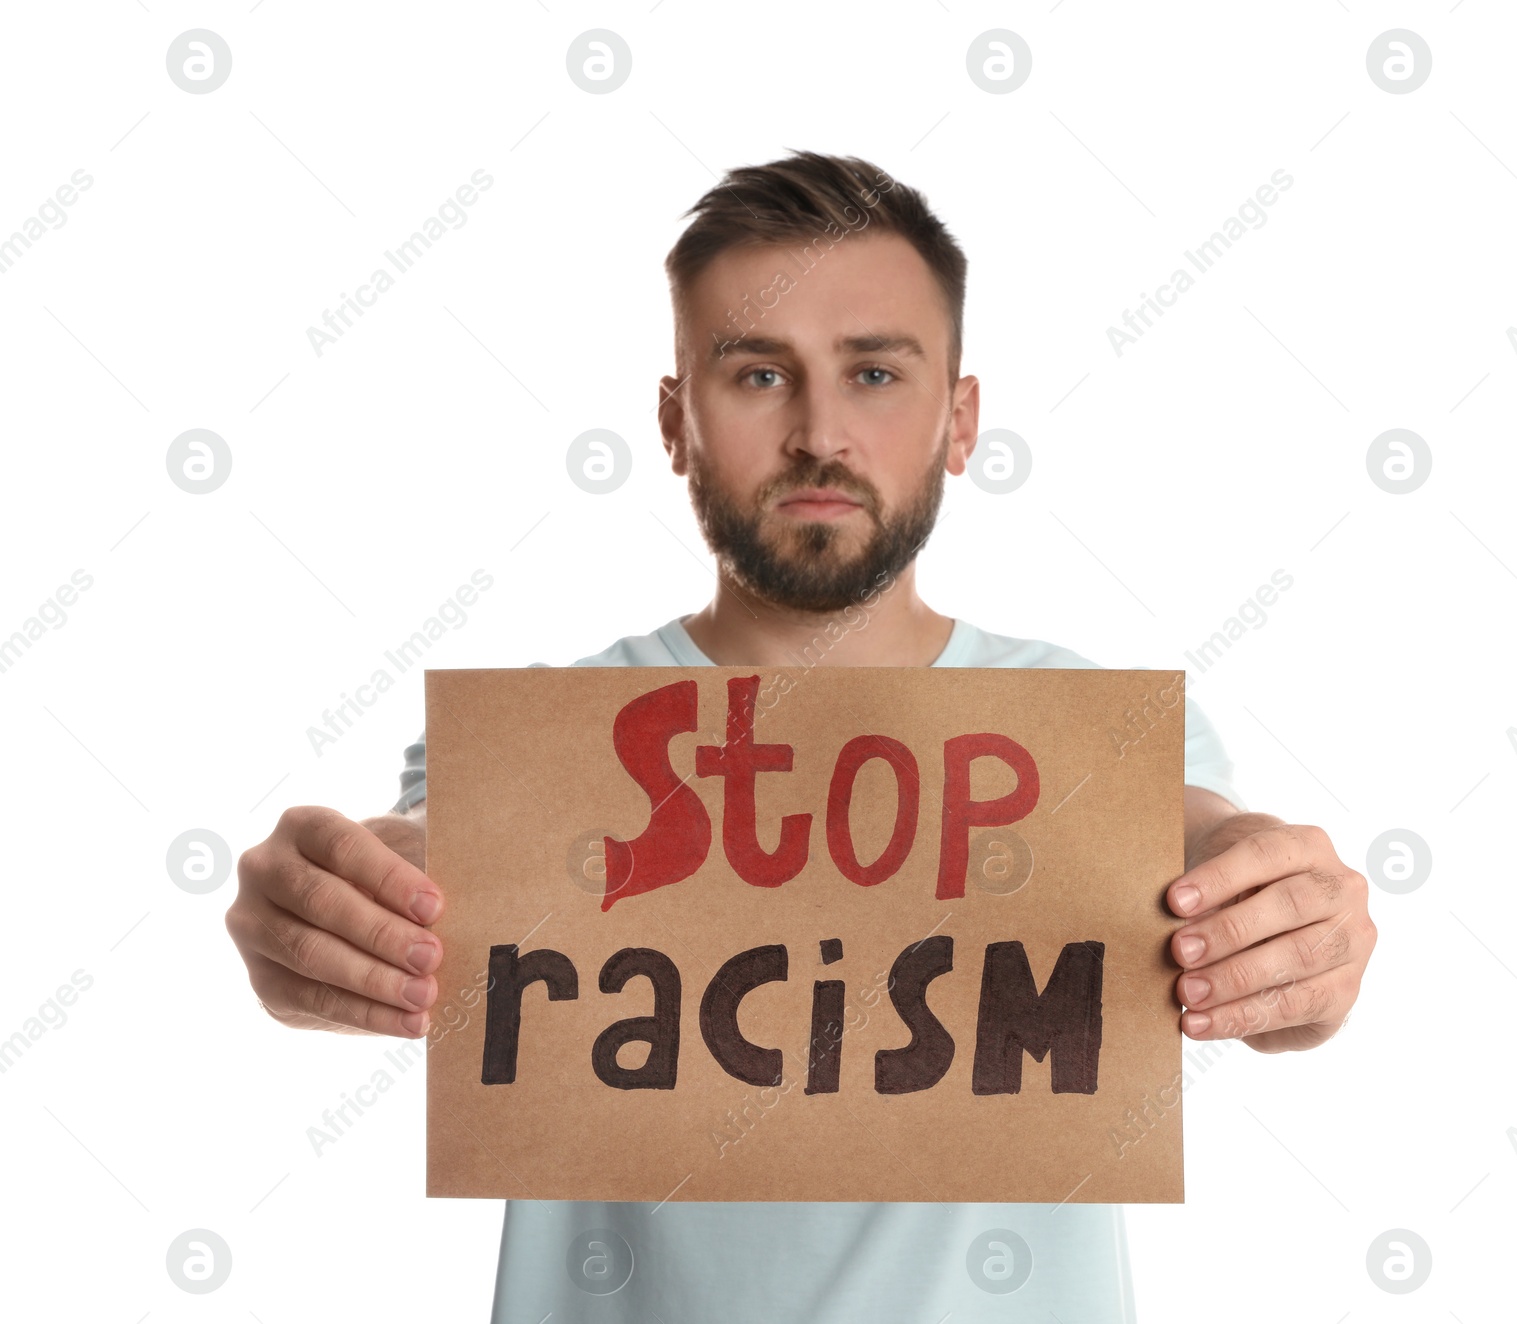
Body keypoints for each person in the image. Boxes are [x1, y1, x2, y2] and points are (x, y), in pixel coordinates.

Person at [226, 150, 1377, 1322]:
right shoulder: (543, 733)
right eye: (759, 373)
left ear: (959, 419)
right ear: (675, 421)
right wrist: (328, 908)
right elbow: (423, 862)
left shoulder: (1104, 729)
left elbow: (1209, 854)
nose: (821, 433)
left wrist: (1296, 926)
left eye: (875, 371)